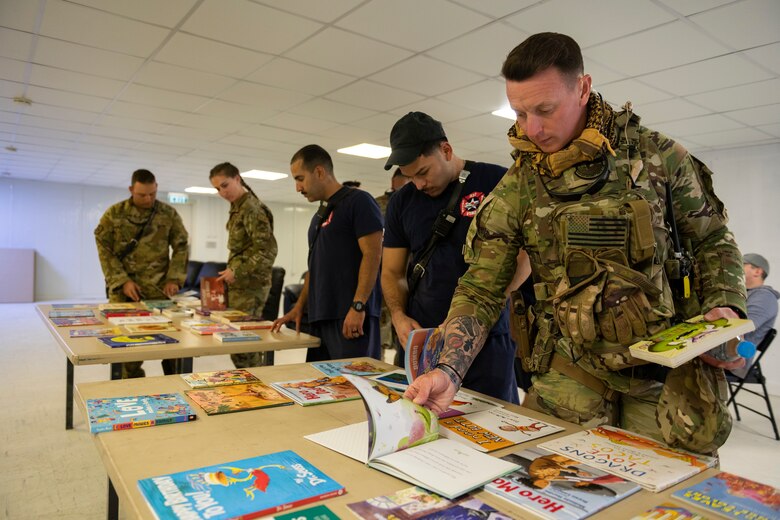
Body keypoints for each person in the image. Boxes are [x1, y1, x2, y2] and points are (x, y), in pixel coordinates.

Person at [405, 32, 747, 455]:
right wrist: (448, 370)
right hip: (570, 373)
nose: (531, 128)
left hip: (664, 376)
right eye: (519, 112)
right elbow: (481, 286)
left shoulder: (658, 158)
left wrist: (726, 308)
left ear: (583, 88)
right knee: (549, 483)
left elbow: (714, 240)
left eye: (545, 110)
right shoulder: (520, 184)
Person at [382, 111, 519, 404]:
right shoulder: (401, 202)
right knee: (420, 425)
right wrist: (397, 315)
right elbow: (393, 272)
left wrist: (475, 315)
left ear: (446, 150)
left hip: (486, 342)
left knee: (489, 431)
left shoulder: (498, 181)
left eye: (422, 173)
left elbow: (523, 258)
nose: (418, 184)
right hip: (424, 342)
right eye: (409, 177)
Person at [271, 145, 383, 361]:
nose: (297, 187)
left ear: (320, 172)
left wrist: (358, 306)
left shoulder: (359, 202)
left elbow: (373, 255)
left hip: (350, 317)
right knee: (322, 387)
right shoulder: (319, 216)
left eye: (300, 178)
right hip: (321, 317)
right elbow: (314, 267)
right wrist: (299, 307)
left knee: (354, 387)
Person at [94, 168, 189, 378]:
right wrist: (121, 280)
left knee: (174, 348)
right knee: (127, 352)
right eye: (142, 194)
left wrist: (174, 278)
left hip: (159, 292)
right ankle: (130, 393)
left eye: (152, 194)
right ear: (131, 189)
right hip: (125, 293)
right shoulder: (114, 214)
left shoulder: (168, 213)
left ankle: (176, 391)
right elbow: (103, 247)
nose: (148, 199)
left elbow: (182, 246)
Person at [209, 162, 278, 369]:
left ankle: (258, 388)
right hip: (241, 287)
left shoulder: (251, 208)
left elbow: (268, 251)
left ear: (237, 179)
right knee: (239, 347)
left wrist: (237, 271)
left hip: (251, 287)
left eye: (225, 185)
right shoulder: (238, 207)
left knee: (244, 348)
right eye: (217, 188)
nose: (222, 192)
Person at [374, 168, 412, 355]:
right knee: (382, 329)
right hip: (384, 275)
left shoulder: (414, 202)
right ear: (394, 180)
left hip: (411, 276)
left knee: (406, 334)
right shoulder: (378, 204)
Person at [728, 254, 778, 378]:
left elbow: (744, 327)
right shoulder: (745, 294)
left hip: (735, 360)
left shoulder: (765, 297)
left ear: (757, 271)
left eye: (741, 265)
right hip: (723, 352)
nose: (736, 268)